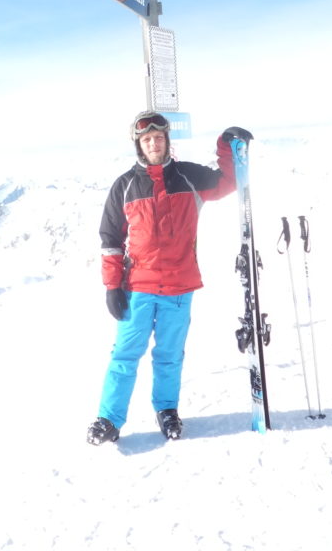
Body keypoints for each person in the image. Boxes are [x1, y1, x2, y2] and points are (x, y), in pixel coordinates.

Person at [87, 112, 249, 445]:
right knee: (125, 356)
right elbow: (110, 240)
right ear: (139, 145)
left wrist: (226, 146)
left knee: (170, 355)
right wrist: (112, 287)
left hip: (179, 286)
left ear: (166, 141)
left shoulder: (189, 176)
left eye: (158, 138)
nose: (153, 143)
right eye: (146, 139)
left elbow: (230, 181)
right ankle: (108, 419)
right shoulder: (125, 186)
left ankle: (167, 411)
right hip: (138, 288)